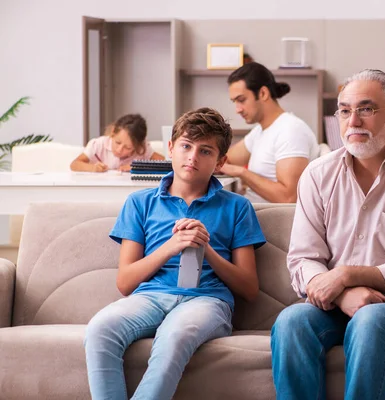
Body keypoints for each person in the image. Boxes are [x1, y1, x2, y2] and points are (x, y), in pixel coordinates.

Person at [270, 69, 385, 400]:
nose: (352, 121)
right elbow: (303, 259)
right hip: (336, 306)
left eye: (366, 109)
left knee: (370, 321)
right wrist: (342, 294)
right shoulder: (318, 174)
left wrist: (346, 274)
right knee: (290, 322)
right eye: (344, 110)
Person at [84, 107, 266, 400]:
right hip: (150, 297)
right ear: (170, 148)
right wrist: (172, 246)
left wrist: (206, 250)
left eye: (205, 151)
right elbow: (125, 282)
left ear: (220, 161)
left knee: (175, 334)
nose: (192, 157)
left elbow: (249, 288)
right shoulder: (139, 202)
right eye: (185, 146)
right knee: (100, 329)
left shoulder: (237, 207)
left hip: (208, 300)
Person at [220, 62, 319, 203]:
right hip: (253, 212)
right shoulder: (260, 130)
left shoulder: (291, 130)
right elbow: (227, 158)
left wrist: (242, 172)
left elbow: (289, 198)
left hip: (268, 220)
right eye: (234, 102)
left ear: (263, 93)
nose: (238, 109)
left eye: (241, 100)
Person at [71, 113, 165, 172]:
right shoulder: (98, 145)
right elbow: (74, 164)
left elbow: (167, 165)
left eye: (128, 148)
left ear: (137, 146)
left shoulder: (142, 149)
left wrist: (139, 167)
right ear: (112, 133)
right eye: (117, 142)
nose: (120, 150)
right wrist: (92, 168)